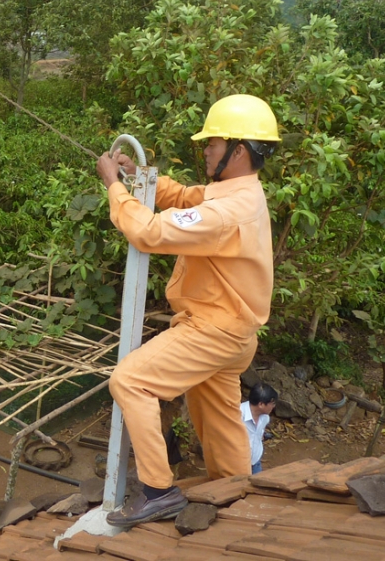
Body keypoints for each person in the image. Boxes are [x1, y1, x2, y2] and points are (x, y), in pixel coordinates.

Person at [94, 94, 281, 526]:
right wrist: (139, 176)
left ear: (240, 150)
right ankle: (239, 491)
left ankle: (159, 491)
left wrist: (113, 187)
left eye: (213, 142)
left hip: (213, 330)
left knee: (131, 381)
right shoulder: (238, 192)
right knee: (218, 420)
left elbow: (148, 232)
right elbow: (184, 197)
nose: (206, 148)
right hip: (235, 335)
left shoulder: (229, 211)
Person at [242, 382, 277, 474]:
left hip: (256, 461)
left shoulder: (265, 417)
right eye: (272, 403)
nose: (273, 406)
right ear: (261, 404)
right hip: (238, 464)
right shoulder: (237, 415)